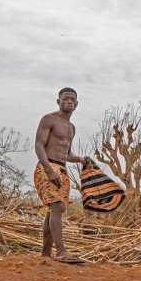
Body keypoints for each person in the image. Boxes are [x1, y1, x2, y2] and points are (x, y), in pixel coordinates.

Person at [34, 87, 90, 264]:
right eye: (65, 99)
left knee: (54, 210)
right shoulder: (49, 119)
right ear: (58, 101)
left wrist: (81, 159)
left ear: (77, 104)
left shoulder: (71, 128)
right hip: (47, 166)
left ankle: (45, 254)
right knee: (57, 207)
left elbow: (66, 154)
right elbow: (39, 145)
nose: (69, 102)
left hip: (62, 168)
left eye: (72, 99)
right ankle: (61, 251)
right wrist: (49, 170)